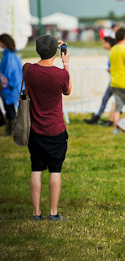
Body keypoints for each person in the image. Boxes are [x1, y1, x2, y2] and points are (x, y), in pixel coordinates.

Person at [25, 35, 72, 221]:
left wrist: (51, 48)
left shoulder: (28, 69)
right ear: (55, 52)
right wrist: (66, 63)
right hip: (56, 130)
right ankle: (53, 213)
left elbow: (28, 91)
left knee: (36, 169)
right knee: (55, 170)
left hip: (35, 130)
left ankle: (36, 213)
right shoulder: (61, 74)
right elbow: (67, 90)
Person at [84, 36, 116, 125]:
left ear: (109, 43)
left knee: (109, 99)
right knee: (116, 100)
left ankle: (99, 117)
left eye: (104, 43)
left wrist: (111, 69)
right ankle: (105, 118)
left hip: (115, 80)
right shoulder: (112, 52)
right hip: (114, 80)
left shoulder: (113, 52)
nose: (103, 45)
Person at [0, 33, 23, 135]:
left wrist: (7, 86)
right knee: (11, 109)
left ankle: (12, 130)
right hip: (14, 87)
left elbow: (8, 73)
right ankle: (11, 130)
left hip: (8, 88)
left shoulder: (8, 56)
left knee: (10, 110)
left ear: (3, 43)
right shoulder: (14, 55)